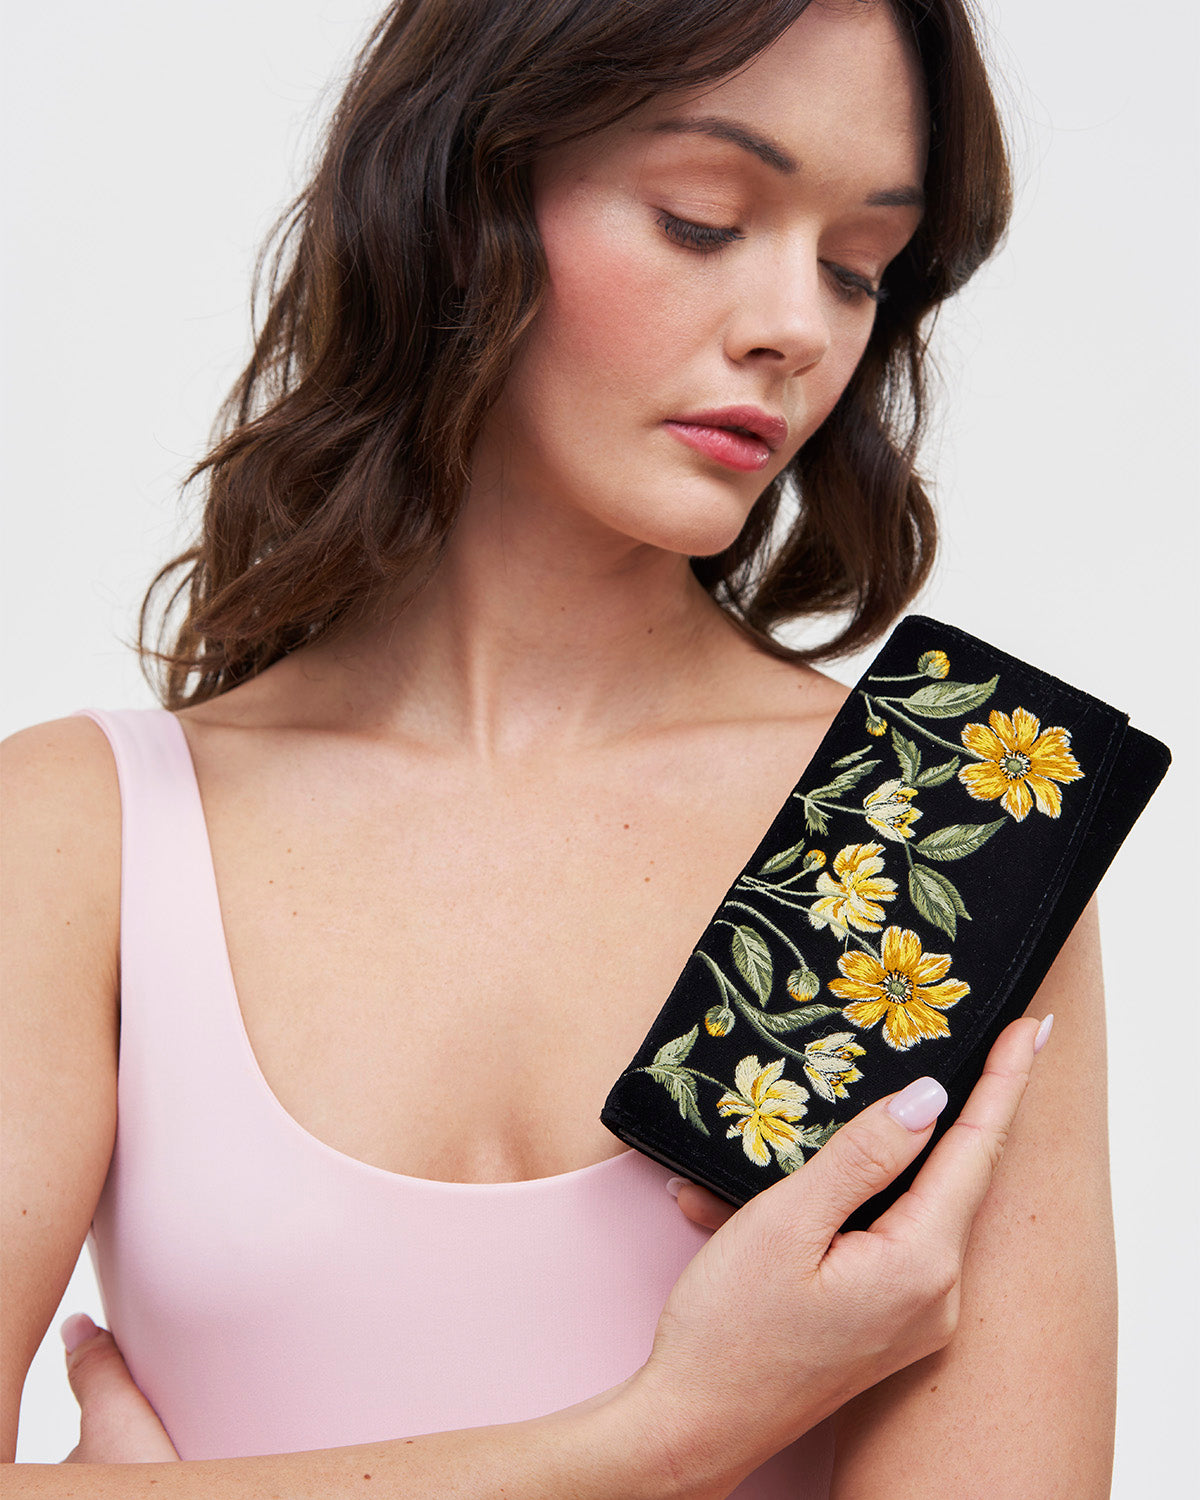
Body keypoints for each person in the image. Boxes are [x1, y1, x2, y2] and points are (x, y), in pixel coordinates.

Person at [1, 0, 1118, 1494]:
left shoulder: (942, 833)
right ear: (461, 200)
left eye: (858, 266)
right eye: (702, 219)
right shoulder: (79, 836)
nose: (797, 324)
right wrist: (670, 1433)